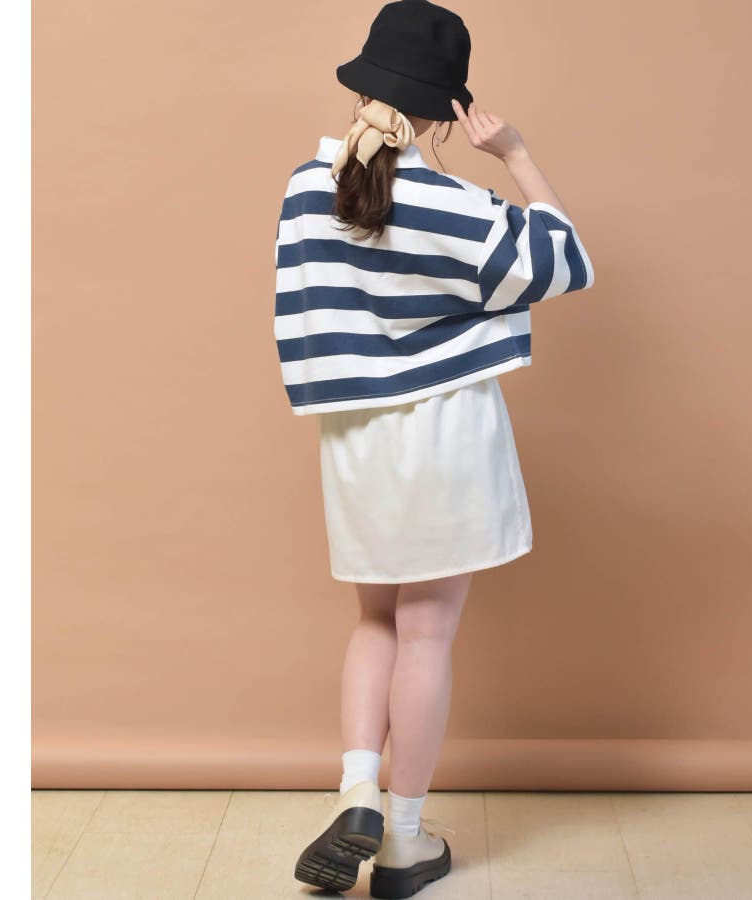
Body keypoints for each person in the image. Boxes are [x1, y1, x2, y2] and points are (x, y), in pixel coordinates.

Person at [279, 1, 594, 896]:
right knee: (428, 630)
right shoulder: (454, 203)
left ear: (360, 87)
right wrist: (517, 155)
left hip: (356, 441)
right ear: (445, 111)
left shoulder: (305, 187)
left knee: (375, 621)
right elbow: (564, 262)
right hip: (446, 430)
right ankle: (405, 842)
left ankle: (357, 793)